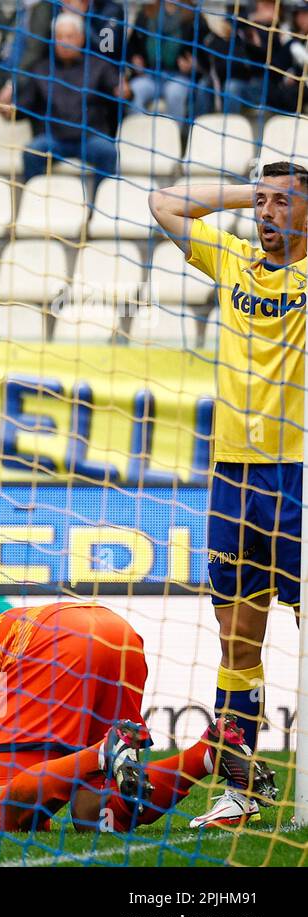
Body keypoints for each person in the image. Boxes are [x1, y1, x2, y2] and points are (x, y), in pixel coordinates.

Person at [148, 164, 304, 827]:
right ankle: (241, 788)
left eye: (282, 204)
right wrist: (258, 194)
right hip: (232, 478)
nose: (266, 214)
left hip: (298, 469)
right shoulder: (234, 257)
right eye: (260, 203)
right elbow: (163, 203)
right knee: (237, 637)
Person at [0, 603, 269, 832]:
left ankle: (104, 752)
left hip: (46, 646)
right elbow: (38, 816)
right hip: (114, 634)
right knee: (95, 815)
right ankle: (209, 752)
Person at [13, 12, 128, 185]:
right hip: (53, 138)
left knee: (108, 152)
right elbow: (24, 105)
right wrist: (9, 111)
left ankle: (98, 208)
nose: (64, 42)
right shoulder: (41, 69)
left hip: (89, 137)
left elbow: (120, 93)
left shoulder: (99, 65)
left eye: (69, 36)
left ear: (81, 39)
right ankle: (35, 202)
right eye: (59, 37)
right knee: (31, 152)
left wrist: (125, 92)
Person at [125, 0, 215, 125]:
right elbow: (131, 47)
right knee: (135, 90)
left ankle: (175, 138)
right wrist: (135, 60)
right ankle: (139, 137)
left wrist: (194, 65)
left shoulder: (194, 16)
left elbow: (207, 54)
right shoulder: (146, 12)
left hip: (180, 77)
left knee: (174, 93)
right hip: (149, 75)